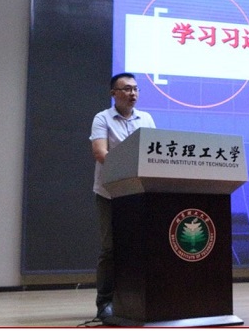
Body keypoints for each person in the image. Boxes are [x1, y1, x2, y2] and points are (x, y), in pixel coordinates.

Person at [89, 72, 156, 320]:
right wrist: (132, 167)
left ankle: (136, 301)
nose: (133, 93)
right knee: (110, 249)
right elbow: (100, 153)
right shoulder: (102, 118)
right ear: (113, 93)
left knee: (139, 247)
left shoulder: (146, 118)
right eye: (127, 89)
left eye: (136, 89)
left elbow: (153, 152)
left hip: (139, 194)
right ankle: (105, 303)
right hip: (110, 193)